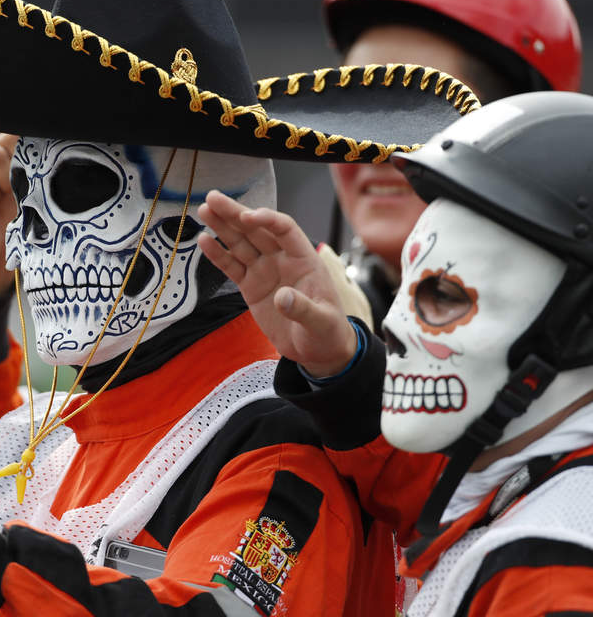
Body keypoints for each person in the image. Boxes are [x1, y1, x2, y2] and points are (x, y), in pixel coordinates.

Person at [0, 0, 475, 614]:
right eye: (26, 193)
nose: (32, 234)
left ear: (204, 215)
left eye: (83, 188)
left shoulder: (273, 441)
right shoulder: (47, 438)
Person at [198, 90, 593, 615]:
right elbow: (430, 487)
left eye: (443, 295)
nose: (392, 323)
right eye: (405, 286)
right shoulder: (525, 480)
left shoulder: (553, 577)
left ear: (579, 330)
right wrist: (338, 363)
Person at [323, 0, 582, 325]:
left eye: (419, 113)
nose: (373, 148)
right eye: (352, 112)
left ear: (526, 137)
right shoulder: (289, 339)